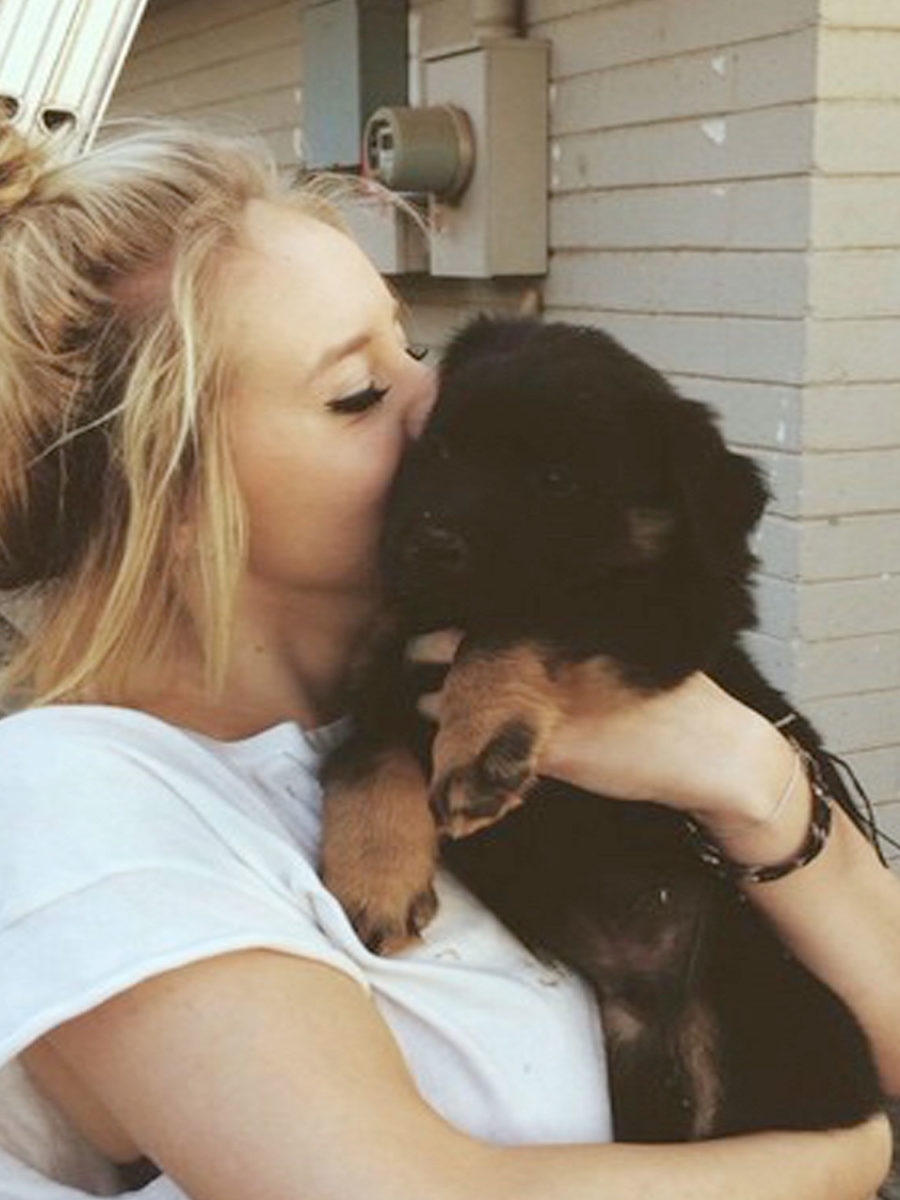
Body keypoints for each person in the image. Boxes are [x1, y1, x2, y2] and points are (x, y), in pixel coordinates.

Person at [0, 118, 895, 1200]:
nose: (437, 400)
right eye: (357, 393)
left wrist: (756, 784)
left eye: (411, 346)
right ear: (170, 499)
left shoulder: (478, 706)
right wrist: (851, 1159)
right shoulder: (77, 804)